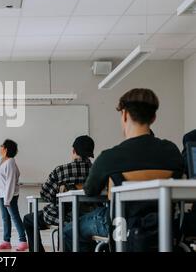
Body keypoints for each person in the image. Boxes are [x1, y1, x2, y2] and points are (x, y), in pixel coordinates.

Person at [63, 88, 184, 252]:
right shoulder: (172, 151)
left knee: (69, 230)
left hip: (120, 224)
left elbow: (90, 190)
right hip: (164, 225)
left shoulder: (110, 157)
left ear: (125, 115)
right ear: (153, 117)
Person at [23, 135, 95, 252]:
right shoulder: (96, 170)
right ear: (90, 153)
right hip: (90, 216)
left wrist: (56, 198)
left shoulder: (61, 170)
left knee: (28, 219)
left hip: (62, 216)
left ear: (74, 150)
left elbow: (44, 193)